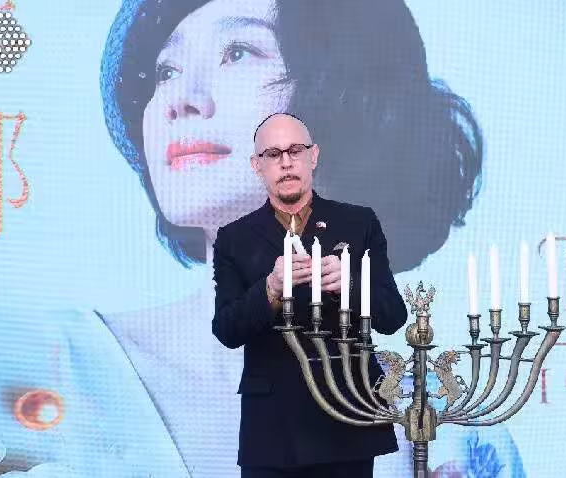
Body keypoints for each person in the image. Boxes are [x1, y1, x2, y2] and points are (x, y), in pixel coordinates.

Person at [100, 0, 524, 476]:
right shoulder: (54, 368)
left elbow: (389, 314)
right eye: (166, 71)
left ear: (346, 94)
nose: (180, 99)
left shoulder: (448, 435)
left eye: (238, 52)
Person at [211, 112, 406, 477]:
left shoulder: (359, 223)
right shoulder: (234, 238)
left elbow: (393, 316)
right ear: (257, 165)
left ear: (313, 156)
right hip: (272, 428)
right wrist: (270, 288)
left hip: (347, 416)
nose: (286, 162)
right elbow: (227, 330)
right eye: (273, 154)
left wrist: (349, 285)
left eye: (295, 151)